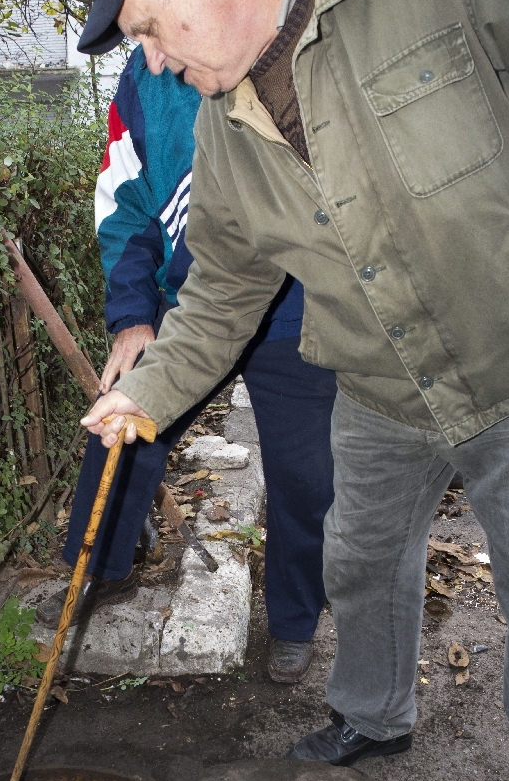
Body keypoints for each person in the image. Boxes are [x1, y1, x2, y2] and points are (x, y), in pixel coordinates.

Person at [76, 0, 509, 781]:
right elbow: (223, 292)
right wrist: (143, 394)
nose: (146, 61)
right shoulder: (224, 130)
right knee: (360, 557)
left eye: (146, 26)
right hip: (378, 390)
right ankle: (374, 717)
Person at [39, 42, 337, 684]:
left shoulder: (293, 51)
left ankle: (292, 621)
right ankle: (97, 573)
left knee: (309, 477)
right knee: (120, 429)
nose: (154, 46)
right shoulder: (144, 76)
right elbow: (125, 200)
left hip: (297, 311)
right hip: (188, 307)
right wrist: (131, 315)